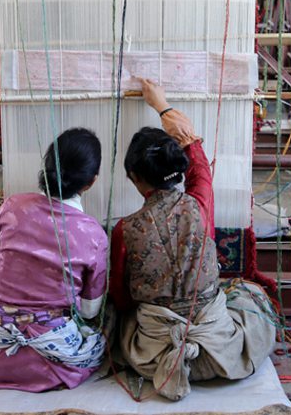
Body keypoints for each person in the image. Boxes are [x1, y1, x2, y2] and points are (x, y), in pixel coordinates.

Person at [109, 79, 276, 401]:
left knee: (117, 313)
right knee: (249, 293)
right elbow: (197, 157)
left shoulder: (125, 230)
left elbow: (121, 295)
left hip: (153, 358)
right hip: (222, 353)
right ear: (180, 171)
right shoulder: (200, 205)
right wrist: (163, 106)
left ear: (133, 177)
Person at [0, 128, 108, 391]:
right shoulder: (93, 235)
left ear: (45, 168)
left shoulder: (12, 207)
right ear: (91, 181)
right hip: (54, 365)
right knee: (106, 321)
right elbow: (89, 311)